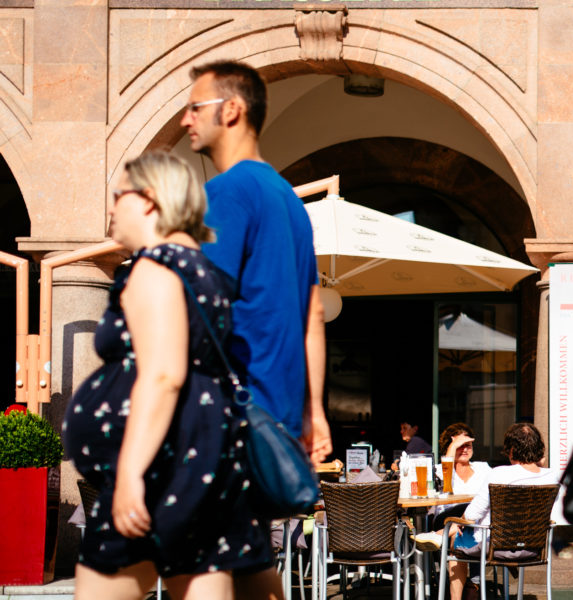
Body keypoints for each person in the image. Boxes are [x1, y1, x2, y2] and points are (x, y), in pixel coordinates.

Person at [64, 151, 271, 600]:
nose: (110, 207)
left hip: (164, 462)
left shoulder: (155, 268)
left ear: (150, 200)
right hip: (203, 457)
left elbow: (163, 375)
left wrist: (132, 473)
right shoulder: (206, 274)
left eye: (119, 195)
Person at [180, 59, 332, 599]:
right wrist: (314, 413)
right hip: (278, 417)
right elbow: (314, 316)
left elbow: (202, 305)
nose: (184, 120)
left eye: (195, 107)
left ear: (232, 109)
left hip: (227, 416)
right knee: (248, 564)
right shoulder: (291, 202)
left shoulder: (227, 193)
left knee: (198, 561)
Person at [421, 422, 559, 600]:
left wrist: (456, 524)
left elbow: (471, 516)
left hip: (496, 545)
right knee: (462, 528)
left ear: (511, 450)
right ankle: (472, 584)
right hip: (534, 548)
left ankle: (440, 540)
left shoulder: (499, 474)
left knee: (457, 534)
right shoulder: (553, 476)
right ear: (539, 448)